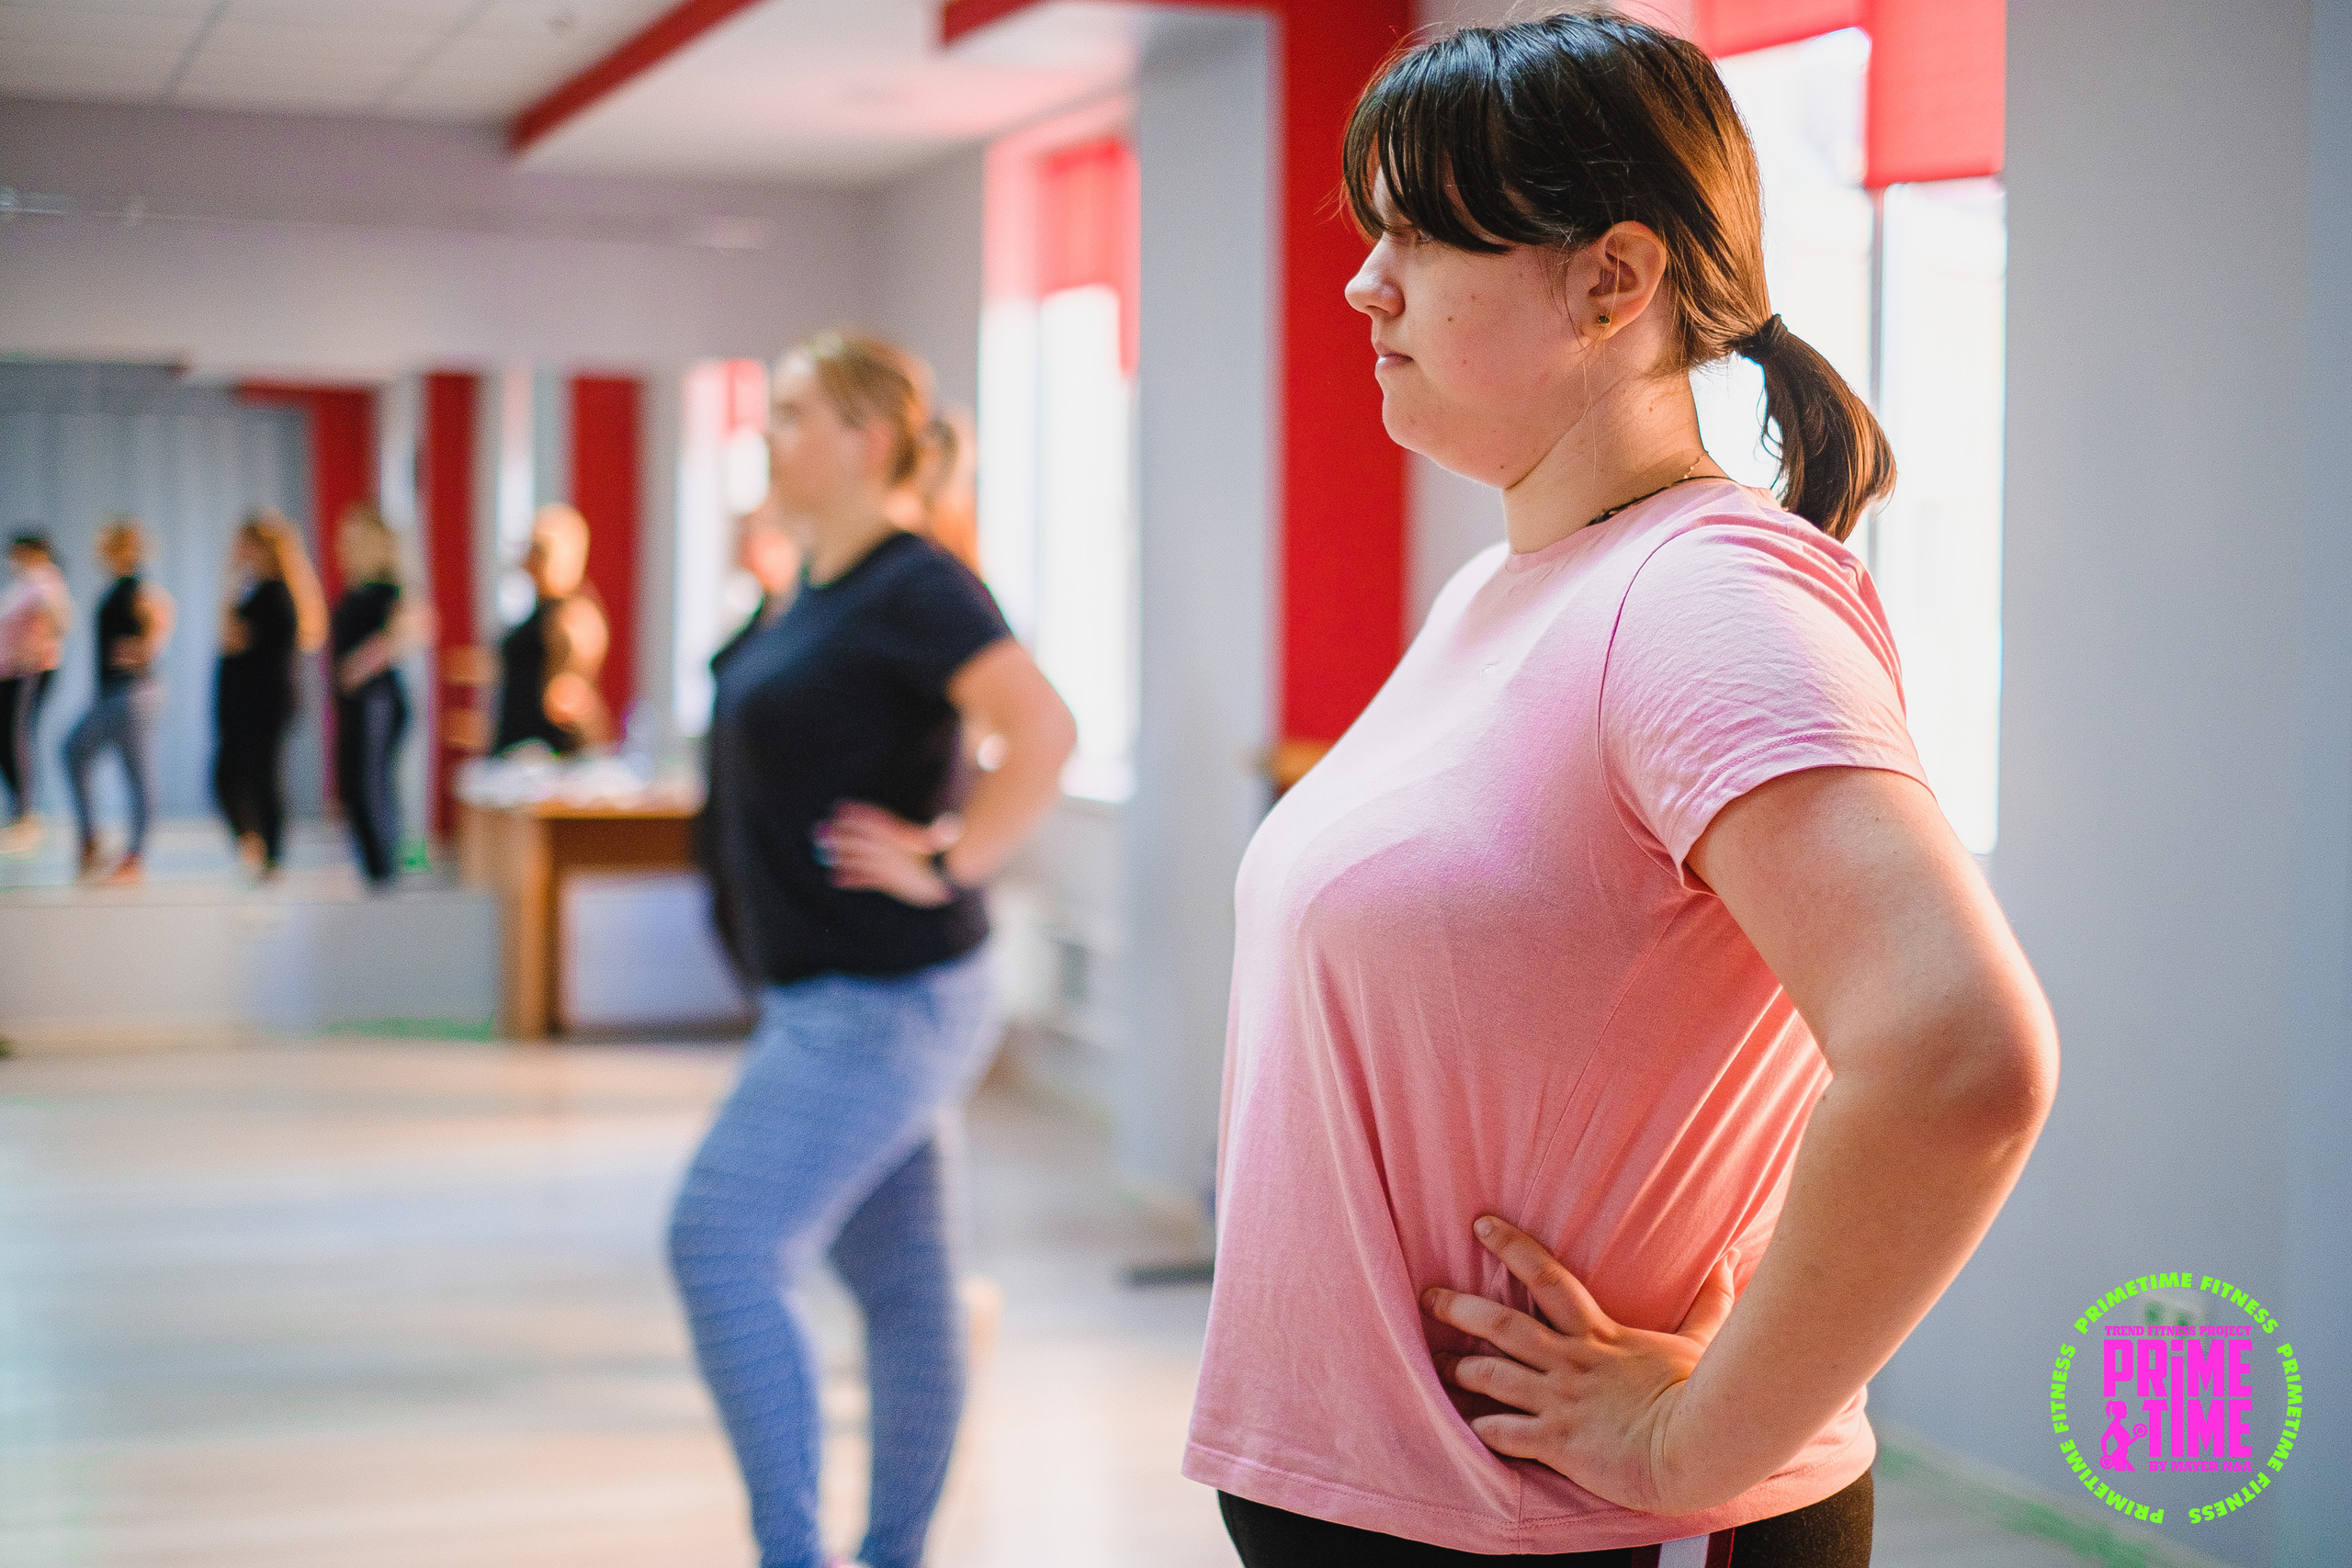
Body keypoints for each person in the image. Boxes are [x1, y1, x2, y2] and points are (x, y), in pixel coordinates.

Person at [1188, 15, 2059, 1566]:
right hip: (1392, 1508)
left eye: (1418, 234)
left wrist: (1697, 1429)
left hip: (1585, 1529)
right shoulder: (1505, 592)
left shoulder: (1703, 602)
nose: (1361, 282)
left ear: (1612, 278)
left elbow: (1958, 1053)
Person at [669, 329, 1075, 1568]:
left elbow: (1041, 729)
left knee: (723, 1240)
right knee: (906, 1290)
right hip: (826, 990)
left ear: (869, 438)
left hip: (886, 995)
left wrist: (947, 855)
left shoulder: (916, 583)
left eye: (793, 413)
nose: (770, 435)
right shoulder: (812, 585)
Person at [696, 490, 804, 985]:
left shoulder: (805, 628)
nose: (742, 550)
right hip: (730, 817)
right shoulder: (759, 622)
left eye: (753, 538)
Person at [211, 510, 326, 879]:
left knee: (259, 778)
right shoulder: (257, 591)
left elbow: (231, 637)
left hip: (262, 705)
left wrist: (227, 582)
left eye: (243, 545)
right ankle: (258, 847)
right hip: (246, 704)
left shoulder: (274, 595)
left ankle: (270, 855)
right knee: (235, 778)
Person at [64, 518, 175, 885]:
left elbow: (160, 622)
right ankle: (95, 841)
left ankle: (132, 855)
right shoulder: (118, 590)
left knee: (136, 774)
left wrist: (145, 651)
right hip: (115, 693)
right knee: (77, 753)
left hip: (132, 694)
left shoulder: (140, 592)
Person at [330, 503, 430, 888]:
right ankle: (375, 873)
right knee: (359, 787)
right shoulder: (358, 588)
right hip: (359, 704)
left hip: (378, 701)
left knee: (372, 787)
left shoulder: (390, 587)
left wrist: (364, 662)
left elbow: (418, 626)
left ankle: (383, 876)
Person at [492, 502, 610, 756]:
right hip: (520, 745)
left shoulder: (569, 615)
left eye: (536, 551)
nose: (528, 559)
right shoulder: (543, 609)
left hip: (542, 753)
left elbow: (569, 691)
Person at [0, 529, 72, 854]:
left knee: (17, 735)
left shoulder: (45, 579)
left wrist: (37, 647)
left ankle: (27, 815)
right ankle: (20, 813)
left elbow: (60, 622)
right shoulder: (26, 583)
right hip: (10, 673)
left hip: (28, 671)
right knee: (6, 737)